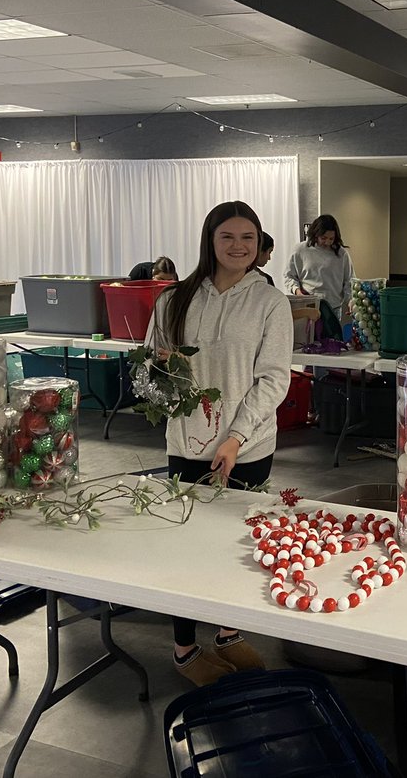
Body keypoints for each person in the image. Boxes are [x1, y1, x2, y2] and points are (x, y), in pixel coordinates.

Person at [147, 201, 292, 685]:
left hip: (248, 445)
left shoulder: (269, 302)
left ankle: (229, 632)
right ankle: (184, 648)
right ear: (210, 240)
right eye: (228, 237)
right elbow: (151, 372)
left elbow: (273, 381)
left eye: (248, 238)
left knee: (237, 540)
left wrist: (235, 437)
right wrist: (159, 369)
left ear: (259, 244)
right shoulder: (174, 299)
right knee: (186, 543)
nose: (238, 246)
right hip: (187, 442)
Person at [284, 214, 354, 337]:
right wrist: (297, 291)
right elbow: (289, 276)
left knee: (332, 343)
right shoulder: (301, 250)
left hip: (333, 307)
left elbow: (349, 281)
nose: (327, 242)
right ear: (315, 234)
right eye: (323, 238)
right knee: (307, 342)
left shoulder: (341, 254)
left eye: (331, 239)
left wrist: (350, 300)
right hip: (308, 305)